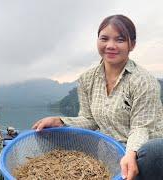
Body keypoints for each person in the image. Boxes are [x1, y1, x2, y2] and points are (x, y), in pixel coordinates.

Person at [32, 14, 163, 180]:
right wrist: (60, 121)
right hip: (110, 148)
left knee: (155, 151)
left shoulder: (143, 81)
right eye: (104, 38)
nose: (110, 45)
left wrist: (130, 154)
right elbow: (90, 119)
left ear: (132, 44)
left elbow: (141, 128)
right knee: (49, 133)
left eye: (120, 40)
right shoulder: (88, 78)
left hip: (141, 153)